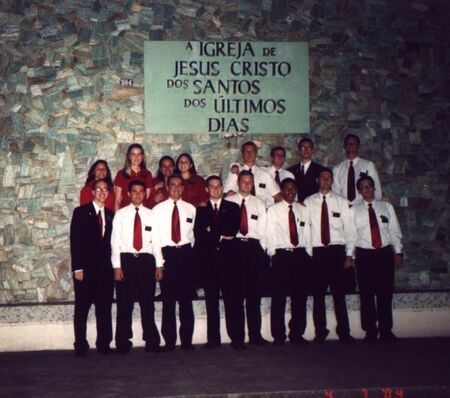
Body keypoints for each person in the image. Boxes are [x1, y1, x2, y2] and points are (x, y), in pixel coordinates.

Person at [304, 168, 356, 344]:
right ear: (317, 180)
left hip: (336, 252)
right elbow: (306, 231)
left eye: (329, 178)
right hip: (317, 253)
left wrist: (349, 255)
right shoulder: (308, 202)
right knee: (318, 295)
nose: (326, 180)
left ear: (332, 181)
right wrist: (309, 255)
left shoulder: (342, 202)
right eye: (323, 177)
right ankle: (320, 332)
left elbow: (349, 230)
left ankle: (344, 332)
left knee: (338, 295)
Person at [111, 180, 163, 354]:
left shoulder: (152, 215)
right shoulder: (120, 215)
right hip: (126, 261)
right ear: (128, 194)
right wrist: (117, 266)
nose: (138, 194)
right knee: (124, 304)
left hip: (146, 262)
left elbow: (156, 241)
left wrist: (159, 264)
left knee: (147, 303)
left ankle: (152, 340)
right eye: (134, 191)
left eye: (141, 191)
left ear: (144, 194)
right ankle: (123, 341)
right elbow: (115, 242)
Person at [353, 176, 403, 343]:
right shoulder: (353, 209)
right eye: (363, 187)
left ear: (374, 188)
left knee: (385, 294)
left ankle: (386, 330)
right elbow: (351, 236)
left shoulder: (386, 207)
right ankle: (370, 331)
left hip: (384, 254)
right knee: (366, 295)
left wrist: (398, 252)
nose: (367, 189)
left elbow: (394, 231)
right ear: (359, 191)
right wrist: (351, 256)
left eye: (369, 186)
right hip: (364, 255)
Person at [194, 175, 240, 349]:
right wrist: (220, 235)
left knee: (232, 300)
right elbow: (199, 234)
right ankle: (213, 339)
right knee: (211, 301)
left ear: (223, 188)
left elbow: (232, 230)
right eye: (211, 186)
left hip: (228, 261)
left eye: (218, 186)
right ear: (207, 189)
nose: (215, 189)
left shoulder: (233, 207)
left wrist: (211, 230)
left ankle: (236, 338)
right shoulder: (200, 210)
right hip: (209, 262)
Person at [265, 178, 313, 345]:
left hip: (300, 256)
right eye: (287, 189)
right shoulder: (273, 210)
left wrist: (308, 254)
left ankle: (297, 334)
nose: (290, 191)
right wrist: (273, 255)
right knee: (279, 297)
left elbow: (307, 233)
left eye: (293, 188)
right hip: (281, 256)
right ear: (282, 191)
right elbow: (269, 234)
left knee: (300, 297)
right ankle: (278, 335)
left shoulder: (303, 210)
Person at [70, 178, 114, 356]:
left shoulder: (111, 215)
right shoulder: (81, 212)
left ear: (108, 193)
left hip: (105, 271)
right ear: (93, 192)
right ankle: (80, 345)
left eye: (105, 189)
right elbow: (75, 241)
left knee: (104, 309)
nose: (102, 192)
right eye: (99, 189)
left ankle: (103, 344)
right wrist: (77, 268)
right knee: (82, 309)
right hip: (85, 271)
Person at [225, 170, 269, 349]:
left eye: (250, 182)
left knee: (253, 295)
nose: (247, 185)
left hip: (253, 249)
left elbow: (264, 231)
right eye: (244, 181)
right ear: (238, 183)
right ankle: (237, 337)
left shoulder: (259, 204)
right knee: (235, 296)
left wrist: (264, 255)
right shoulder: (228, 202)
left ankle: (255, 335)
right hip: (234, 248)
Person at [152, 174, 197, 351]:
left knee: (186, 300)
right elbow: (155, 239)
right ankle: (169, 341)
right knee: (168, 301)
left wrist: (188, 255)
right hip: (167, 255)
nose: (176, 188)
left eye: (180, 185)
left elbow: (192, 236)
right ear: (168, 188)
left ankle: (187, 341)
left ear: (183, 188)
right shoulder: (157, 210)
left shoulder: (191, 209)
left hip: (185, 254)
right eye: (173, 185)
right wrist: (159, 263)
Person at [224, 141, 281, 207]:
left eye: (252, 151)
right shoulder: (235, 172)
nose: (249, 153)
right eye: (246, 151)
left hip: (260, 211)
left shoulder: (265, 175)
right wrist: (228, 194)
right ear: (242, 154)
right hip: (240, 210)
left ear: (256, 153)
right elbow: (226, 195)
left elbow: (278, 196)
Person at [332, 134, 382, 203]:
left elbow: (377, 189)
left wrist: (372, 206)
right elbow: (336, 193)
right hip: (345, 207)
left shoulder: (368, 165)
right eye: (348, 143)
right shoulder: (337, 169)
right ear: (344, 146)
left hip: (364, 207)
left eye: (354, 143)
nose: (351, 145)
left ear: (359, 146)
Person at [114, 143, 153, 211]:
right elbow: (117, 200)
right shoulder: (121, 174)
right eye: (133, 154)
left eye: (139, 154)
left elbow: (147, 198)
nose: (136, 157)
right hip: (125, 211)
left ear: (142, 156)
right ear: (129, 156)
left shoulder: (147, 174)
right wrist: (117, 216)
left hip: (141, 211)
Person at [287, 138, 326, 202]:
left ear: (313, 150)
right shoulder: (290, 171)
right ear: (299, 150)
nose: (306, 149)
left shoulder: (321, 170)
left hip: (315, 205)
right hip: (296, 207)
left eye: (309, 147)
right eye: (303, 147)